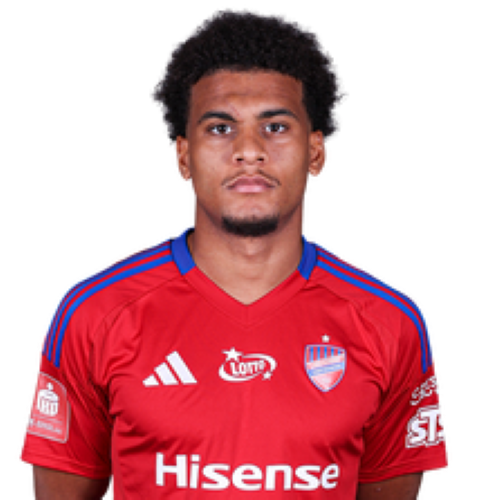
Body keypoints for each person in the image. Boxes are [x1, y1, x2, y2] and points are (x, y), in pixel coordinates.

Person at [17, 7, 449, 499]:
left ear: (316, 153)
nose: (249, 150)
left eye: (276, 126)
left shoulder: (390, 322)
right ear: (182, 157)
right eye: (220, 128)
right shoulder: (93, 312)